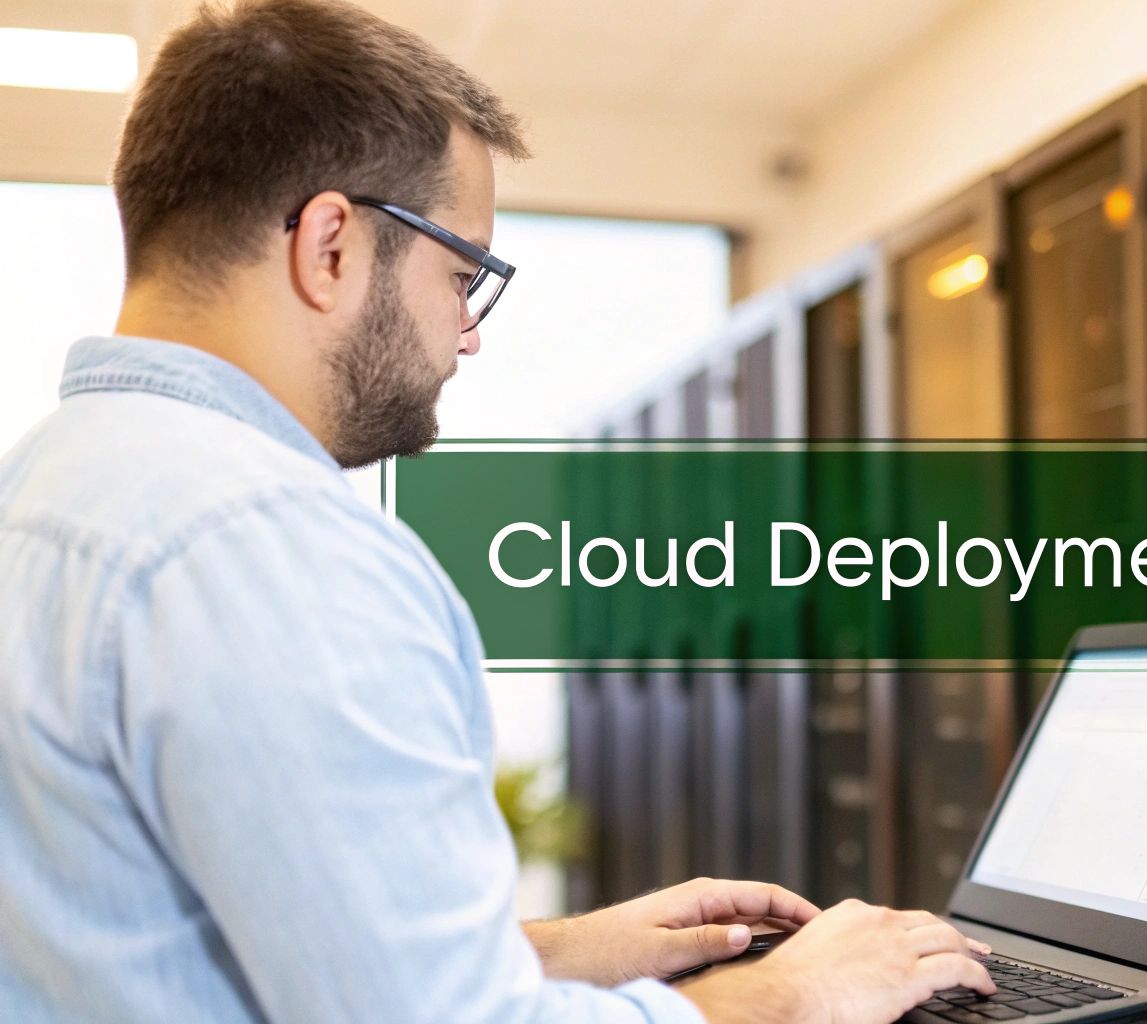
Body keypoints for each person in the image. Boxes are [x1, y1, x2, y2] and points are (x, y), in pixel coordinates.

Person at [0, 1, 996, 1021]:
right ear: (331, 246)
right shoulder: (272, 544)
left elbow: (168, 944)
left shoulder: (44, 490)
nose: (465, 337)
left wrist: (567, 949)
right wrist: (783, 994)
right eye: (461, 273)